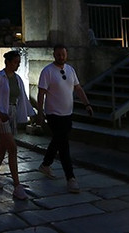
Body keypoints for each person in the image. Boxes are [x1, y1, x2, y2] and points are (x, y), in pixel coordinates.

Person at [36, 44, 93, 193]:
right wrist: (40, 113)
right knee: (63, 145)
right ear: (54, 55)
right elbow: (41, 92)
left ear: (66, 55)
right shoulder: (47, 71)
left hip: (67, 113)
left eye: (63, 54)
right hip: (53, 113)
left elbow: (78, 88)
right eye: (58, 54)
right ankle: (71, 178)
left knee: (58, 140)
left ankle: (45, 164)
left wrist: (87, 104)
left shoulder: (70, 70)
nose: (61, 57)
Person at [0, 50, 35, 200]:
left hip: (11, 114)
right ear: (8, 62)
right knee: (12, 147)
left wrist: (31, 114)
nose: (17, 65)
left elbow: (23, 98)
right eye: (15, 62)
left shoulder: (18, 79)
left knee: (3, 146)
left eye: (18, 63)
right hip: (0, 117)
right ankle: (17, 185)